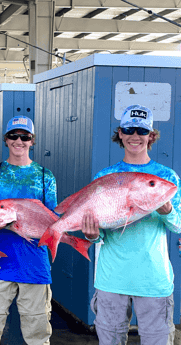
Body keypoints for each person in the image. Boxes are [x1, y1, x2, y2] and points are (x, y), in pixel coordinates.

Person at [82, 104, 181, 345]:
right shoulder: (105, 176)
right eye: (129, 130)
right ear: (120, 134)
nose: (135, 136)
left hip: (153, 280)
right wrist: (92, 235)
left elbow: (178, 225)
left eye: (142, 131)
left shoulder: (166, 178)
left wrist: (167, 212)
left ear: (151, 136)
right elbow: (99, 233)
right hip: (111, 280)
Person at [0, 116, 57, 345]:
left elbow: (52, 218)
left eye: (25, 136)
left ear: (32, 141)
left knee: (38, 334)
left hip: (34, 264)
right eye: (13, 135)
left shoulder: (44, 176)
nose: (18, 141)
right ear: (6, 139)